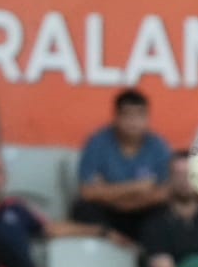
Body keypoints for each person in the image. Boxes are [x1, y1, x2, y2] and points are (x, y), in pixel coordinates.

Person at [72, 89, 171, 240]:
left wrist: (107, 190)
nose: (133, 122)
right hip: (108, 211)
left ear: (147, 118)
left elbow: (164, 192)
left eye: (139, 115)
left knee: (166, 212)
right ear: (116, 117)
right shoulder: (98, 143)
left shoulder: (158, 146)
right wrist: (137, 187)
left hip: (143, 210)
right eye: (127, 115)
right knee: (83, 208)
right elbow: (88, 192)